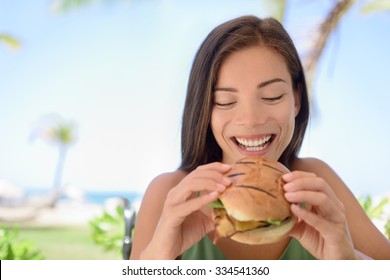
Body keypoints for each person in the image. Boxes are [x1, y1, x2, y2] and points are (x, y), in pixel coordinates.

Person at [130, 15, 390, 260]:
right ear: (204, 110)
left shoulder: (316, 186)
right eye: (225, 101)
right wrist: (157, 261)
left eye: (272, 96)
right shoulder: (170, 194)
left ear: (296, 100)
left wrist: (349, 263)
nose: (251, 119)